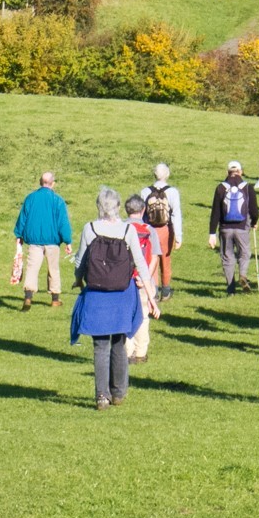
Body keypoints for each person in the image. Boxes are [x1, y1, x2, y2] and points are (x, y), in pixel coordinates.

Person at [70, 186, 152, 410]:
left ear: (99, 206)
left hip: (97, 293)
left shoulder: (90, 228)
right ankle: (118, 392)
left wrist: (78, 279)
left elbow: (80, 261)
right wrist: (151, 292)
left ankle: (101, 396)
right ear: (117, 207)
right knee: (119, 342)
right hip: (122, 293)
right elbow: (140, 263)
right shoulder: (128, 231)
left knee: (100, 346)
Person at [13, 171, 74, 311]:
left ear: (41, 183)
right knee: (53, 269)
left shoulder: (30, 198)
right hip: (52, 242)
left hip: (34, 241)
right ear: (53, 183)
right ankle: (55, 299)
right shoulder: (58, 200)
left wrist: (19, 235)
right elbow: (63, 223)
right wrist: (68, 241)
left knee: (32, 268)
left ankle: (28, 297)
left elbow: (22, 218)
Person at [123, 194, 162, 362]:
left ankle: (126, 351)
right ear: (143, 210)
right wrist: (144, 276)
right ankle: (140, 353)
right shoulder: (149, 229)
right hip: (144, 281)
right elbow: (155, 257)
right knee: (144, 315)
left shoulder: (121, 227)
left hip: (123, 281)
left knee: (125, 314)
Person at [137, 164, 183, 303]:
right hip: (166, 229)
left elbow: (142, 214)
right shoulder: (173, 192)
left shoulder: (145, 191)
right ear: (167, 175)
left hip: (149, 229)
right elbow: (176, 215)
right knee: (165, 259)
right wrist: (178, 236)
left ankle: (154, 291)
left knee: (152, 259)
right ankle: (166, 291)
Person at [209, 160, 256, 293]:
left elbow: (215, 212)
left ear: (227, 172)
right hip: (242, 227)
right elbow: (254, 210)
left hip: (225, 228)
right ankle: (243, 274)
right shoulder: (248, 187)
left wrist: (212, 233)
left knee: (227, 256)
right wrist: (254, 222)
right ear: (240, 172)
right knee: (245, 253)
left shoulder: (220, 187)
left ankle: (230, 287)